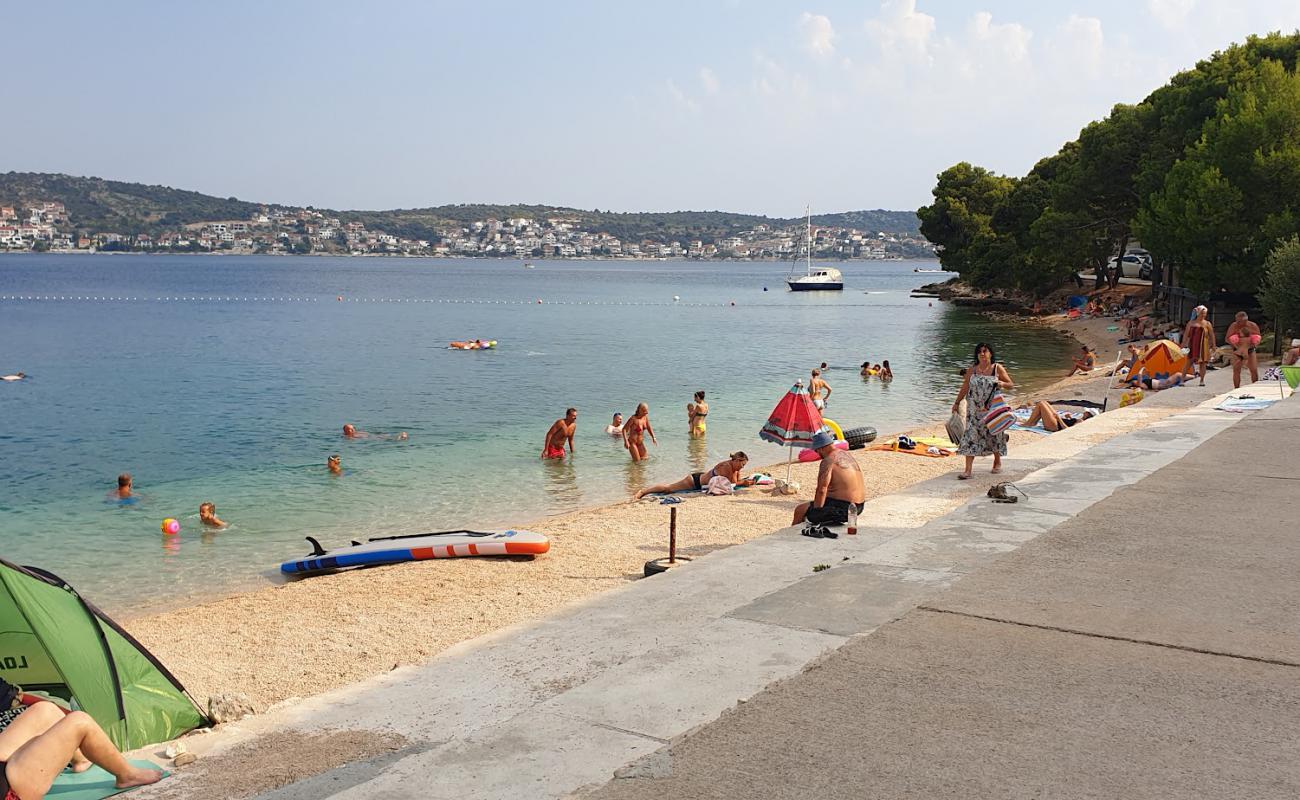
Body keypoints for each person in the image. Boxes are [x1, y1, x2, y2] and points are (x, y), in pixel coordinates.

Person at [0, 699, 163, 800]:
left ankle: (80, 759)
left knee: (45, 710)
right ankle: (127, 775)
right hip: (9, 791)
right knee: (80, 722)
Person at [952, 342, 1014, 479]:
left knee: (994, 433)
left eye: (985, 351)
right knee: (970, 436)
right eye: (979, 351)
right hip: (974, 409)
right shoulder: (972, 370)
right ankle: (968, 470)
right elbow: (965, 387)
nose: (982, 353)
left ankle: (997, 461)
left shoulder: (997, 368)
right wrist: (956, 403)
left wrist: (1002, 383)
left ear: (990, 353)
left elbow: (1011, 384)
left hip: (992, 407)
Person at [792, 430, 866, 525]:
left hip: (844, 509)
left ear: (821, 448)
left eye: (816, 450)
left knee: (800, 510)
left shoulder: (828, 460)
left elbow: (822, 489)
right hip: (859, 507)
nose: (817, 453)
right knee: (813, 504)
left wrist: (817, 512)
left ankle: (790, 536)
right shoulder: (845, 454)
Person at [634, 452, 754, 499]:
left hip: (701, 479)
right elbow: (733, 483)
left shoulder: (735, 468)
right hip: (693, 481)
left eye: (744, 465)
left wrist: (744, 482)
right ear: (736, 460)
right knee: (668, 489)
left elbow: (737, 481)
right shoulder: (726, 466)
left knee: (668, 489)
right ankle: (643, 491)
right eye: (742, 464)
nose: (742, 467)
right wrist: (744, 482)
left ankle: (644, 491)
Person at [1225, 311, 1262, 388]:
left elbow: (1258, 338)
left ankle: (1255, 388)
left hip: (1250, 350)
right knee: (1236, 370)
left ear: (1245, 320)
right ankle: (1236, 388)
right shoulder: (1234, 326)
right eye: (1237, 321)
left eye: (1239, 321)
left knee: (1254, 370)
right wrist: (1235, 345)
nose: (1237, 323)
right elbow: (1227, 338)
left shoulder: (1253, 326)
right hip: (1237, 350)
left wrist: (1253, 344)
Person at [1182, 305, 1216, 386]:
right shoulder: (1191, 323)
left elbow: (1212, 335)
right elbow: (1186, 335)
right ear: (1198, 313)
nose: (1203, 315)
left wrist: (1214, 345)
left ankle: (1202, 380)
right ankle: (1182, 379)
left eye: (1205, 314)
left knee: (1203, 363)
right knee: (1188, 363)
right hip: (1193, 345)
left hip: (1204, 346)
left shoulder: (1207, 324)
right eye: (1202, 313)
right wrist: (1183, 344)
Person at [1022, 400, 1095, 432]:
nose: (1084, 412)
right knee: (1044, 402)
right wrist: (1069, 418)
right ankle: (1032, 422)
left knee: (1041, 404)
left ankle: (1029, 423)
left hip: (1055, 426)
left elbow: (1068, 430)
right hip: (1056, 423)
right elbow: (1071, 425)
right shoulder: (1080, 420)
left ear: (1087, 415)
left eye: (1086, 412)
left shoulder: (1081, 421)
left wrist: (1059, 418)